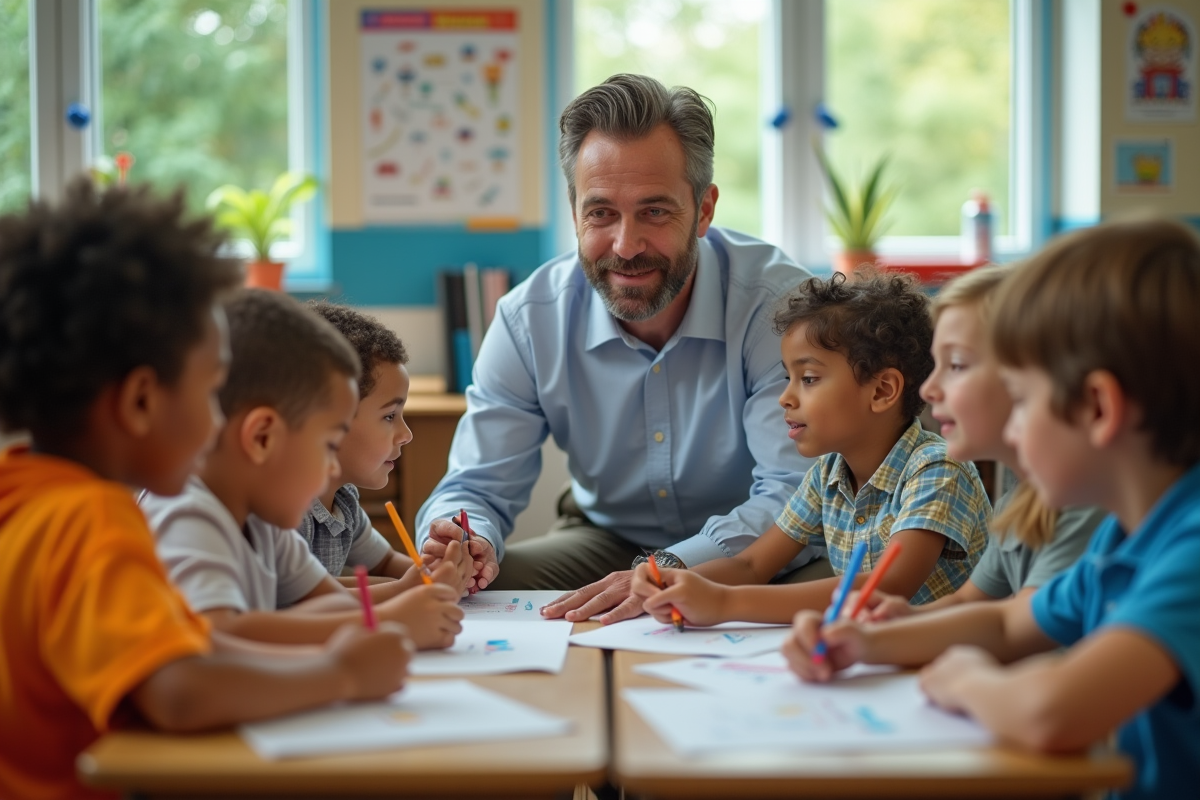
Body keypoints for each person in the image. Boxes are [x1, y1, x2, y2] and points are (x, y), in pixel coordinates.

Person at [0, 180, 411, 800]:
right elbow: (179, 689)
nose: (224, 418)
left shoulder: (23, 493)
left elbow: (200, 640)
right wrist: (339, 675)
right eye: (211, 387)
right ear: (142, 401)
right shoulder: (91, 520)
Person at [783, 219, 1200, 800]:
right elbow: (1004, 622)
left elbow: (1050, 712)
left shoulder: (1190, 552)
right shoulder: (1128, 542)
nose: (1015, 424)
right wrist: (868, 640)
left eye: (1023, 399)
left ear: (1099, 409)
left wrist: (968, 681)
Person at [417, 73, 818, 623]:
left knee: (837, 587)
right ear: (575, 209)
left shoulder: (780, 308)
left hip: (758, 554)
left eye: (655, 211)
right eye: (601, 213)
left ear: (703, 210)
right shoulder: (527, 320)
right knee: (482, 591)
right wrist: (464, 537)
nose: (626, 246)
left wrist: (669, 568)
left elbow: (794, 493)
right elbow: (477, 484)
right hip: (604, 541)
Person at [630, 272, 991, 625]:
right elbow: (751, 565)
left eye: (809, 379)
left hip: (955, 660)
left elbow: (889, 585)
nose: (785, 398)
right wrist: (672, 579)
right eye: (789, 378)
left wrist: (724, 602)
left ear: (882, 391)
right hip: (874, 655)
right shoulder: (827, 474)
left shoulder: (937, 468)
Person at [143, 289, 465, 650]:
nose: (332, 471)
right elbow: (216, 638)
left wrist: (407, 597)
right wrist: (376, 634)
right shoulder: (187, 512)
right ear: (263, 438)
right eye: (329, 446)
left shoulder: (265, 524)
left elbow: (326, 604)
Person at [856, 265, 1104, 621]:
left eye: (956, 365)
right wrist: (893, 622)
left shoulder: (1086, 506)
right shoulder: (1015, 506)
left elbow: (1014, 626)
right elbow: (967, 604)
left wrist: (879, 640)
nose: (928, 389)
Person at [302, 300, 475, 590]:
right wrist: (408, 588)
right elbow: (308, 596)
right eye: (390, 416)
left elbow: (384, 563)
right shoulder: (289, 509)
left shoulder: (344, 501)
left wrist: (442, 572)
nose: (406, 434)